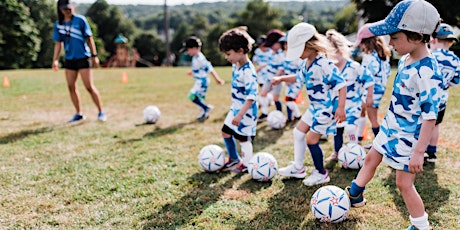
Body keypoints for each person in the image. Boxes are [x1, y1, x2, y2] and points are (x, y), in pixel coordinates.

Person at [344, 1, 442, 229]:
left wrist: (419, 153)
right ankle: (355, 194)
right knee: (371, 158)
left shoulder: (427, 72)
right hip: (390, 127)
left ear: (417, 36)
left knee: (404, 184)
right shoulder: (407, 59)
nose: (389, 43)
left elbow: (430, 116)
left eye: (394, 37)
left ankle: (421, 225)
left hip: (408, 138)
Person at [272, 22, 346, 186]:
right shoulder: (306, 63)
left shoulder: (324, 64)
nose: (297, 54)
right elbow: (298, 78)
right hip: (314, 108)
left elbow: (341, 85)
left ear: (310, 45)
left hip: (325, 110)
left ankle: (321, 173)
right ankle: (298, 168)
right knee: (298, 133)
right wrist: (281, 79)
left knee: (311, 140)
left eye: (299, 50)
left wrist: (340, 108)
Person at [52, 0, 106, 122]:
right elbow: (58, 44)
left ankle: (101, 111)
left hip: (83, 57)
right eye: (65, 8)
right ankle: (79, 113)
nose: (67, 10)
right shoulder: (58, 24)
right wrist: (55, 60)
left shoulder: (80, 20)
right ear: (60, 9)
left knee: (89, 87)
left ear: (73, 6)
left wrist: (94, 55)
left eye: (69, 7)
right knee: (71, 87)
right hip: (70, 59)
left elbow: (89, 38)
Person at [324, 29, 375, 161]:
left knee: (351, 127)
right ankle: (336, 152)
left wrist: (369, 96)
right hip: (337, 106)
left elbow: (369, 80)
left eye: (334, 54)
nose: (332, 58)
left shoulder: (354, 67)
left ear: (341, 51)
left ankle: (354, 150)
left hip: (353, 105)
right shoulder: (330, 69)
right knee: (337, 129)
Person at [218, 28, 259, 173]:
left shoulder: (248, 72)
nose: (226, 57)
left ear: (240, 51)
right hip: (235, 109)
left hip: (245, 112)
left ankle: (246, 165)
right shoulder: (236, 65)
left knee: (243, 139)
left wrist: (240, 115)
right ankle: (234, 158)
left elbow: (252, 96)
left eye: (228, 54)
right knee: (225, 131)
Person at [426, 23, 460, 162]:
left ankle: (419, 151)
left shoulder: (430, 55)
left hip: (426, 97)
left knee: (421, 124)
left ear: (433, 40)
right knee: (435, 125)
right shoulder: (455, 60)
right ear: (451, 42)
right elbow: (455, 82)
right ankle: (432, 153)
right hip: (441, 100)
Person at [354, 26, 392, 146]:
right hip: (380, 89)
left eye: (363, 44)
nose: (362, 47)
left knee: (372, 117)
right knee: (362, 109)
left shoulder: (370, 57)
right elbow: (389, 73)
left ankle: (380, 143)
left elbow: (367, 75)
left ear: (368, 42)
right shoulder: (383, 56)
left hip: (372, 90)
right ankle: (358, 137)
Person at [181, 36, 225, 121]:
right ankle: (204, 113)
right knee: (198, 98)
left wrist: (217, 79)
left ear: (194, 48)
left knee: (192, 96)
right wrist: (192, 72)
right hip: (199, 81)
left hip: (202, 82)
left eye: (188, 49)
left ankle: (206, 108)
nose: (187, 52)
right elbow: (198, 68)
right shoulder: (195, 57)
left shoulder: (200, 58)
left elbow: (209, 68)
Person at [258, 30, 285, 121]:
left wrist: (276, 78)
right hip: (268, 78)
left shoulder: (281, 54)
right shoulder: (271, 52)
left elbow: (281, 68)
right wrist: (262, 66)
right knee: (262, 94)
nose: (270, 47)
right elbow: (270, 63)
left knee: (276, 98)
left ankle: (279, 115)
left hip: (276, 80)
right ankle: (264, 113)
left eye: (272, 45)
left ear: (278, 43)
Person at [278, 33, 303, 124]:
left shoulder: (298, 57)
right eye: (284, 44)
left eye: (287, 43)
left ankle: (298, 116)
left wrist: (290, 79)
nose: (285, 46)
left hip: (295, 82)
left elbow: (301, 71)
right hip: (287, 82)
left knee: (290, 101)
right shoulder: (285, 56)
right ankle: (290, 117)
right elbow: (284, 68)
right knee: (288, 99)